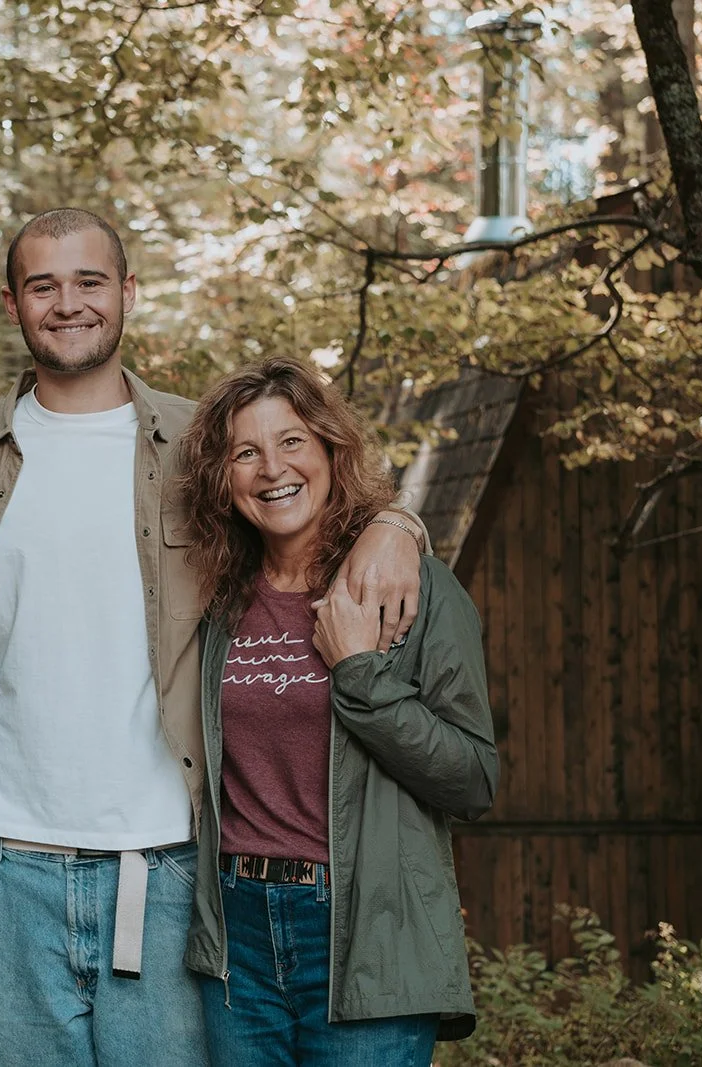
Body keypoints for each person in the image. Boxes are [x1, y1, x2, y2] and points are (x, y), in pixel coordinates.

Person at [0, 208, 428, 1066]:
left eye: (89, 281)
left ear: (127, 292)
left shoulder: (201, 443)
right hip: (10, 865)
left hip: (169, 867)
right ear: (12, 303)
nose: (67, 302)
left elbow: (314, 505)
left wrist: (397, 524)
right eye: (43, 285)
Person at [176, 356, 498, 1065]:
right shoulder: (220, 600)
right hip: (239, 937)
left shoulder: (406, 585)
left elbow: (474, 777)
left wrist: (360, 673)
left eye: (292, 441)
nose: (271, 468)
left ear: (330, 450)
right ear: (222, 478)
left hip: (367, 933)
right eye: (245, 452)